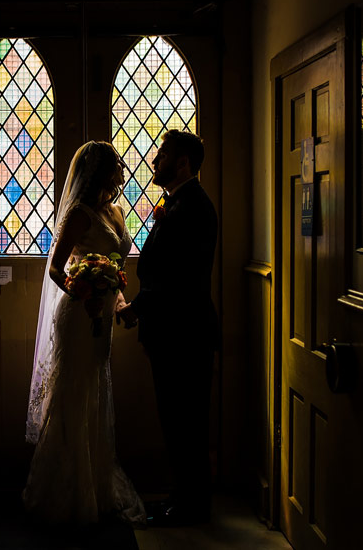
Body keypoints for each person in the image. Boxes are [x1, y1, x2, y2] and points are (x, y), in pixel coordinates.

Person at [23, 140, 146, 527]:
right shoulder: (78, 214)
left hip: (105, 315)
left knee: (96, 392)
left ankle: (96, 482)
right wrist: (83, 290)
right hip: (78, 314)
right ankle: (67, 491)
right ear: (95, 174)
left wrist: (121, 303)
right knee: (73, 394)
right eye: (111, 172)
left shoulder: (116, 212)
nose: (117, 179)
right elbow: (57, 268)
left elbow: (115, 268)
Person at [117, 129, 219, 526]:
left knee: (187, 425)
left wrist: (135, 309)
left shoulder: (192, 208)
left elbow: (174, 279)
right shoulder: (178, 203)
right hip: (175, 334)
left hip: (184, 336)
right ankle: (183, 499)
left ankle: (192, 508)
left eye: (162, 155)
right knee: (177, 423)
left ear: (182, 164)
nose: (154, 161)